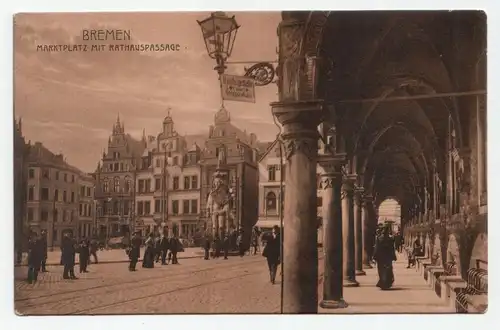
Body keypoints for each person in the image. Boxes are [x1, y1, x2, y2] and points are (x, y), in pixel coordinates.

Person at [373, 225, 397, 290]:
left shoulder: (379, 238)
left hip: (380, 258)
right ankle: (386, 283)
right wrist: (393, 256)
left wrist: (375, 257)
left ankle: (382, 283)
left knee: (381, 270)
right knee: (387, 270)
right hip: (387, 257)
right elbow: (392, 249)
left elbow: (376, 248)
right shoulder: (390, 239)